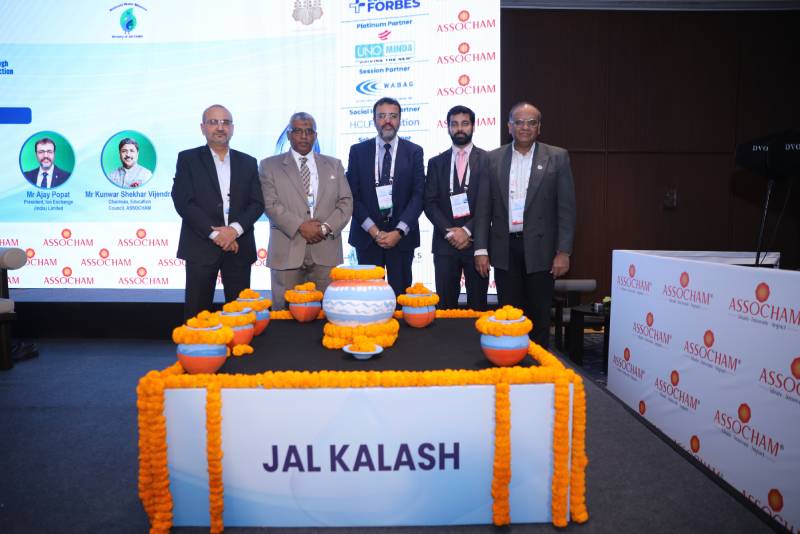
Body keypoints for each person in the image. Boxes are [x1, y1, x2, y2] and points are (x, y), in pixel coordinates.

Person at [473, 102, 576, 348]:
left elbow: (567, 208)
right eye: (518, 122)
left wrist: (564, 251)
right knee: (509, 314)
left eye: (531, 122)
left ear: (539, 127)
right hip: (505, 249)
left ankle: (538, 365)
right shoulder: (492, 158)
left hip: (542, 249)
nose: (525, 127)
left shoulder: (557, 157)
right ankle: (511, 361)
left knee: (539, 316)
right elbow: (483, 208)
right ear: (509, 127)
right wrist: (480, 249)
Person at [171, 104, 264, 321]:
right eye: (213, 122)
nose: (220, 127)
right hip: (201, 246)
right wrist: (216, 234)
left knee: (240, 316)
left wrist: (234, 231)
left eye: (225, 122)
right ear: (203, 128)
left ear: (232, 128)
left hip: (239, 247)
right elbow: (184, 202)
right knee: (197, 316)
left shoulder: (248, 162)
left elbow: (257, 203)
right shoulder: (188, 159)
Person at [259, 112, 353, 310]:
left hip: (325, 250)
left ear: (315, 136)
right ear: (289, 135)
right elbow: (270, 204)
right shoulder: (269, 165)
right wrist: (301, 227)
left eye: (309, 131)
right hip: (287, 250)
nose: (304, 136)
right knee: (284, 315)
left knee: (327, 313)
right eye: (298, 131)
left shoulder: (334, 165)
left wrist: (324, 228)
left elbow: (346, 202)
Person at [346, 97, 425, 296]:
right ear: (374, 120)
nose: (387, 121)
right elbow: (352, 196)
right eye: (382, 116)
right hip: (367, 238)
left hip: (401, 239)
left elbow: (418, 195)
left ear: (400, 120)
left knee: (400, 298)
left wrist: (399, 231)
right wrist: (374, 231)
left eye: (393, 116)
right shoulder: (358, 151)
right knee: (370, 299)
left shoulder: (414, 152)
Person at [423, 105, 488, 310]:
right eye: (454, 124)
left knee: (478, 307)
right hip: (445, 245)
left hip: (477, 244)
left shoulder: (489, 160)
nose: (459, 128)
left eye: (465, 123)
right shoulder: (436, 162)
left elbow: (491, 203)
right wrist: (451, 233)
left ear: (473, 127)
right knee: (445, 307)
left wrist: (467, 230)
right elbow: (429, 203)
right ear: (448, 127)